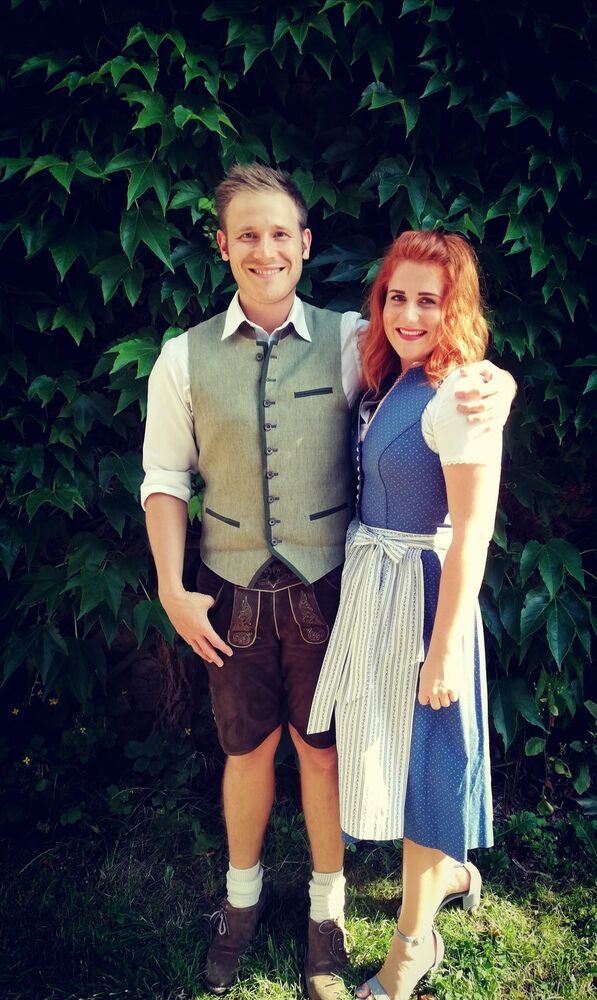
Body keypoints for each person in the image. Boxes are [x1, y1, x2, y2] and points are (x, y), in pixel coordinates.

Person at [140, 165, 514, 1000]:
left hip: (330, 589)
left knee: (322, 755)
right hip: (228, 591)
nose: (265, 249)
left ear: (305, 244)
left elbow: (444, 358)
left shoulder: (352, 339)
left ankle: (327, 913)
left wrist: (498, 379)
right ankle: (240, 904)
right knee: (245, 752)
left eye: (280, 233)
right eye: (247, 234)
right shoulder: (180, 357)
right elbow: (163, 478)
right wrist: (169, 584)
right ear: (222, 245)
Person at [307, 229, 504, 1000]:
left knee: (424, 768)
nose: (409, 314)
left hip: (425, 599)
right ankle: (448, 873)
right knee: (391, 754)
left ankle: (411, 948)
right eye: (397, 297)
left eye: (429, 300)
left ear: (456, 307)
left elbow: (472, 531)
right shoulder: (390, 373)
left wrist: (443, 648)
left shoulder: (461, 394)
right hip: (376, 590)